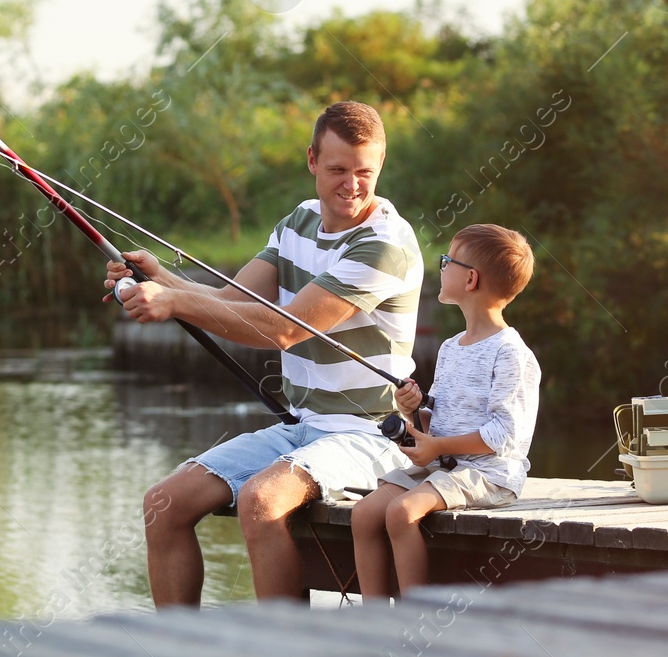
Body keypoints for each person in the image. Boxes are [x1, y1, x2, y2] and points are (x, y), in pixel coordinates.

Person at [108, 101, 420, 606]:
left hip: (373, 433)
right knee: (162, 505)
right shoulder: (299, 221)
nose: (353, 185)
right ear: (312, 161)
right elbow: (235, 301)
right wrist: (159, 278)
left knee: (261, 500)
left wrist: (174, 303)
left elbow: (284, 330)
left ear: (380, 166)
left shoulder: (384, 245)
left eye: (366, 171)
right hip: (304, 424)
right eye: (338, 169)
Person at [351, 223, 540, 599]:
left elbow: (505, 435)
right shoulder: (452, 347)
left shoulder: (511, 354)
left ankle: (412, 620)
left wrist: (437, 448)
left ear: (470, 279)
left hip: (488, 474)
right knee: (363, 515)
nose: (441, 267)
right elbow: (433, 422)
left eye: (446, 261)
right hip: (444, 467)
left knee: (400, 514)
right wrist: (412, 412)